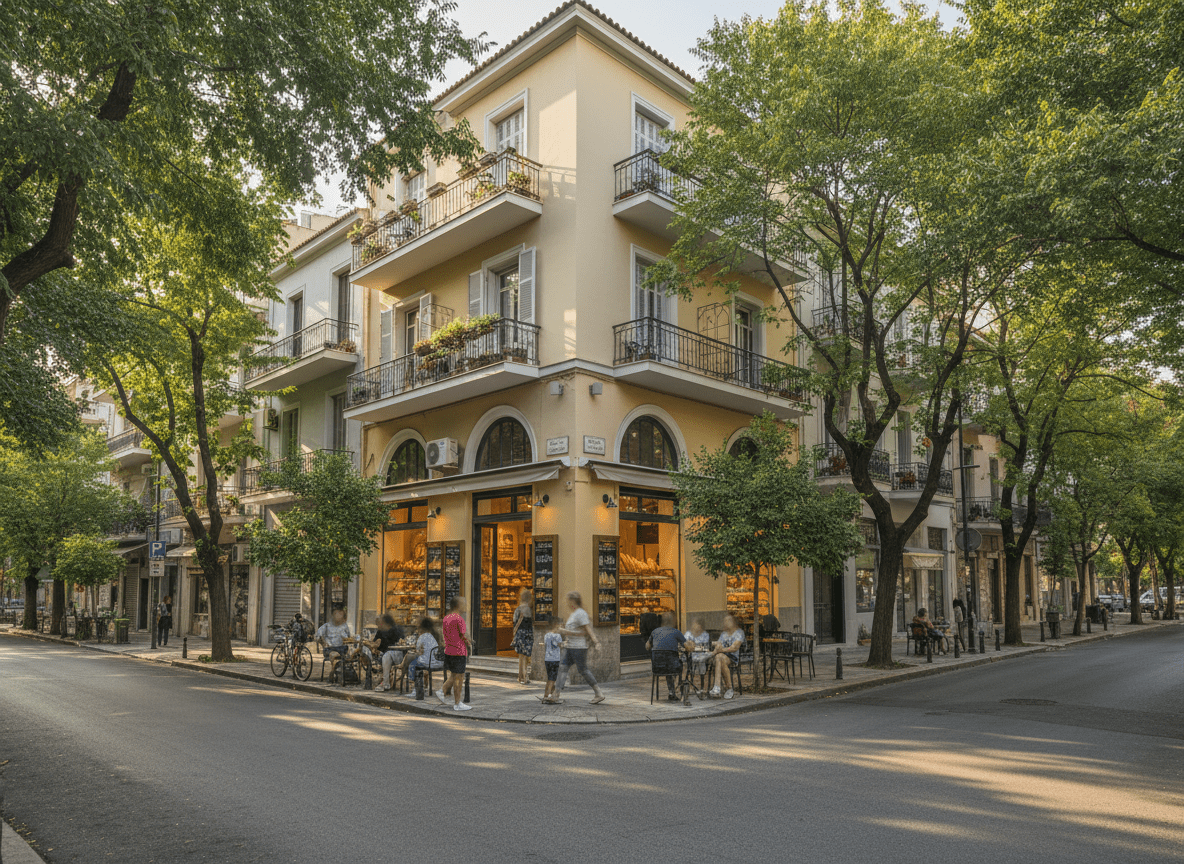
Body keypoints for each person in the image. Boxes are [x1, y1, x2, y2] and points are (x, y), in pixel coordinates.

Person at [553, 592, 605, 704]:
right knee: (562, 668)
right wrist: (565, 641)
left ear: (573, 601)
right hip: (571, 647)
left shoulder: (580, 613)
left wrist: (596, 642)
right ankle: (555, 695)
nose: (567, 603)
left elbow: (586, 631)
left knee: (583, 670)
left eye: (568, 601)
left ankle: (599, 693)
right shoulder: (574, 614)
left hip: (579, 648)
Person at [646, 612, 691, 701]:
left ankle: (672, 692)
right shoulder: (676, 632)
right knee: (682, 665)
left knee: (667, 664)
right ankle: (679, 690)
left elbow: (647, 646)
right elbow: (687, 647)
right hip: (672, 667)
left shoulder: (655, 632)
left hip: (657, 668)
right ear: (672, 621)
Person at [439, 596, 474, 711]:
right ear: (457, 605)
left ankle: (441, 691)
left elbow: (444, 635)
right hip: (459, 651)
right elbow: (464, 635)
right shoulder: (459, 619)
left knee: (454, 676)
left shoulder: (446, 618)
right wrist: (470, 643)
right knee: (459, 678)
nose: (465, 606)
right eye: (463, 603)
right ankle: (457, 703)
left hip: (449, 651)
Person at [396, 617, 443, 692]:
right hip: (436, 659)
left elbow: (419, 650)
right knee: (409, 657)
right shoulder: (434, 634)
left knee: (409, 659)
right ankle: (407, 676)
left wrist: (418, 651)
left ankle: (410, 680)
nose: (417, 629)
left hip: (427, 660)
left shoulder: (423, 636)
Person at [366, 613, 405, 692]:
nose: (378, 624)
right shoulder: (380, 631)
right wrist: (373, 646)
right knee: (383, 656)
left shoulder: (397, 630)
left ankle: (385, 683)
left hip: (398, 655)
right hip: (383, 655)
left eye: (380, 622)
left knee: (386, 656)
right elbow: (375, 643)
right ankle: (381, 681)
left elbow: (403, 643)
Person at [710, 615, 745, 699]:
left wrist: (720, 650)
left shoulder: (739, 633)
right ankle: (724, 687)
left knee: (719, 657)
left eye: (727, 621)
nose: (725, 623)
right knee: (719, 657)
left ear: (733, 622)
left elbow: (734, 648)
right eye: (724, 621)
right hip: (723, 656)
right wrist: (716, 646)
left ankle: (720, 687)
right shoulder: (724, 633)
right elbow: (719, 643)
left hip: (733, 657)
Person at [315, 608, 353, 683]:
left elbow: (348, 638)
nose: (338, 616)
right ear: (333, 616)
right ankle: (334, 670)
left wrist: (347, 639)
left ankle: (339, 672)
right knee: (335, 655)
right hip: (330, 649)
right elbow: (317, 636)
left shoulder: (345, 626)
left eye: (341, 614)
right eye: (336, 614)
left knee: (351, 654)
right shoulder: (326, 626)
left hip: (341, 648)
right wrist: (323, 643)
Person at [512, 588, 534, 684]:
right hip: (529, 633)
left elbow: (514, 622)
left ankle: (522, 677)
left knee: (521, 656)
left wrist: (514, 632)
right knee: (525, 656)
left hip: (520, 633)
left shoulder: (518, 609)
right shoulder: (530, 610)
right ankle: (523, 676)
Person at [540, 618, 564, 703]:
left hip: (547, 659)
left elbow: (546, 645)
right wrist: (566, 643)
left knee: (550, 678)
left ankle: (546, 695)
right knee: (553, 679)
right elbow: (560, 645)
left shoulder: (546, 635)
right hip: (555, 659)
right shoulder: (558, 636)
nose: (561, 627)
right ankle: (549, 696)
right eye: (561, 625)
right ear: (556, 625)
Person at [683, 619, 711, 689]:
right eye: (694, 624)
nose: (694, 626)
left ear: (701, 626)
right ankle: (688, 683)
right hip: (690, 655)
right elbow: (686, 645)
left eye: (696, 624)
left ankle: (702, 685)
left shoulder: (705, 634)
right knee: (686, 662)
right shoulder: (688, 634)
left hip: (702, 655)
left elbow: (705, 647)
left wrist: (696, 647)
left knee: (702, 659)